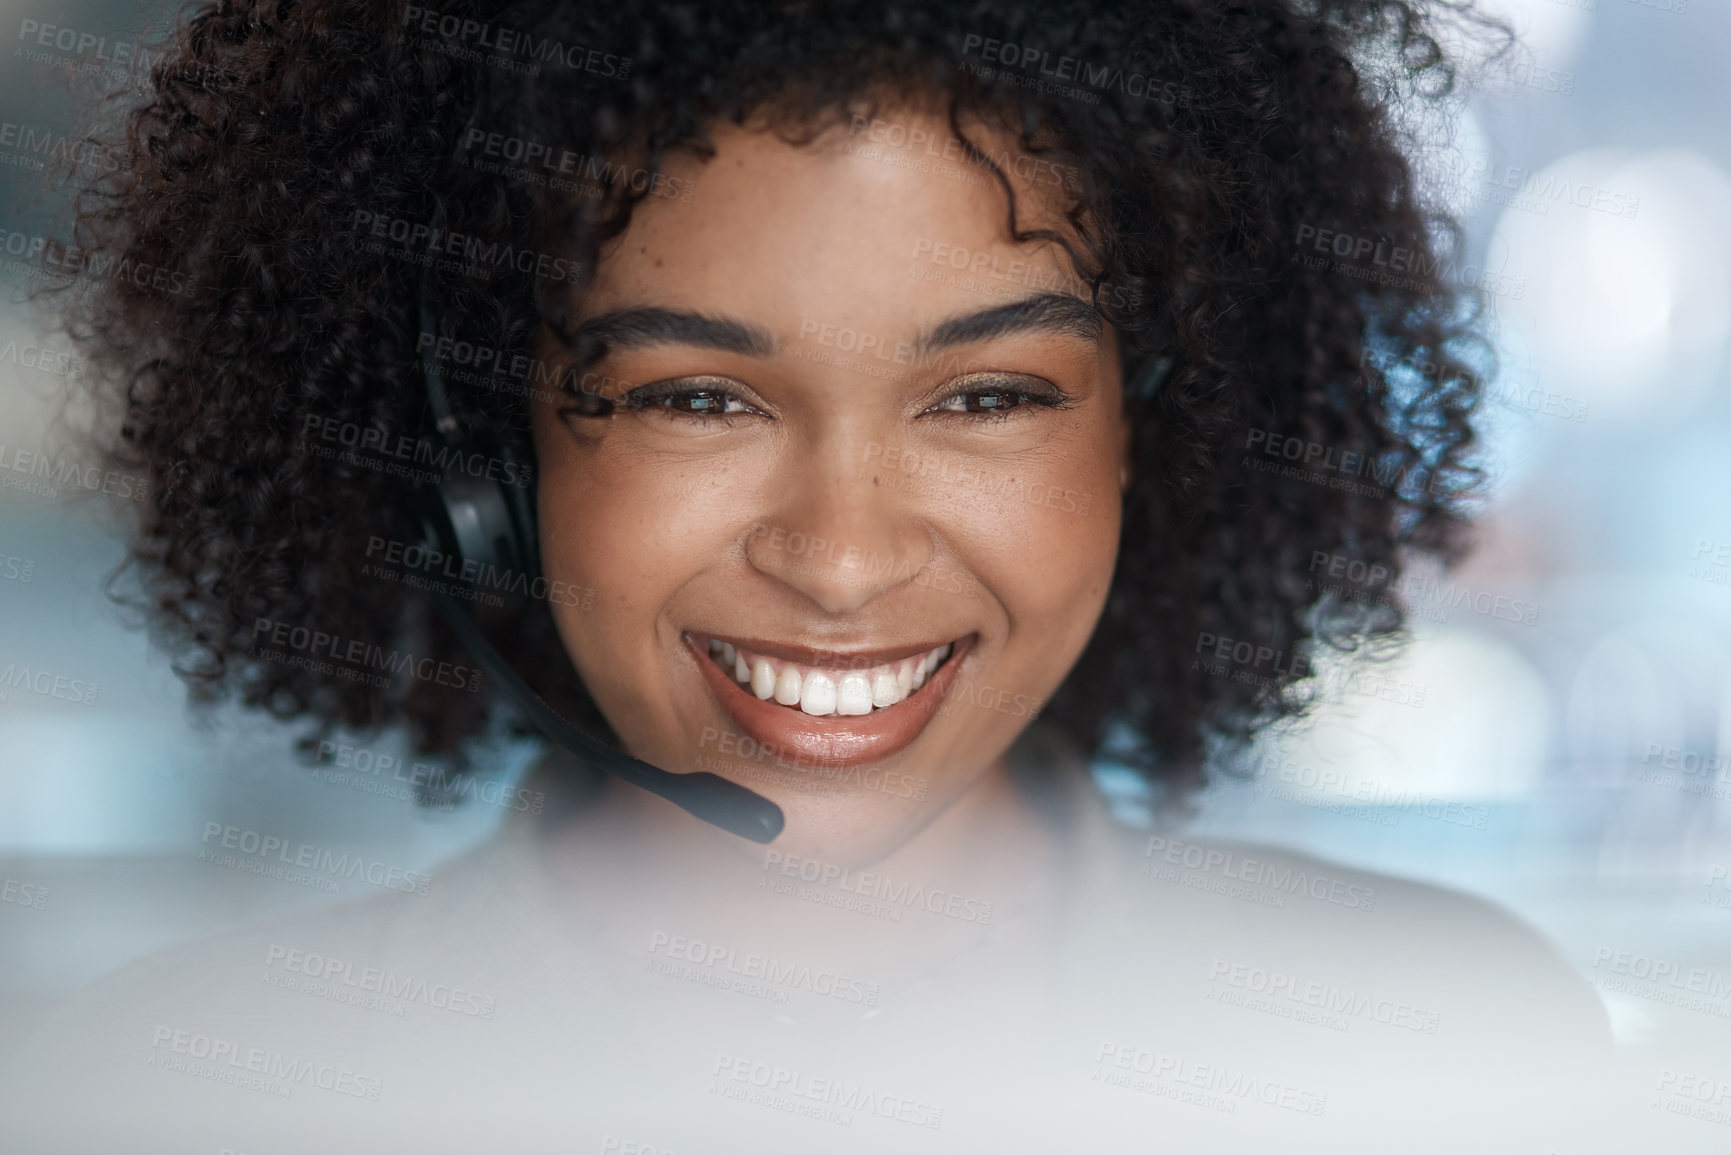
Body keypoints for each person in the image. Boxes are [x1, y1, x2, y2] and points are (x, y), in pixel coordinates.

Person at [2, 0, 1673, 1150]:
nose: (846, 559)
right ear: (481, 463)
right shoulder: (179, 1096)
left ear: (1152, 434)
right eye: (696, 397)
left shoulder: (1445, 1058)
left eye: (990, 396)